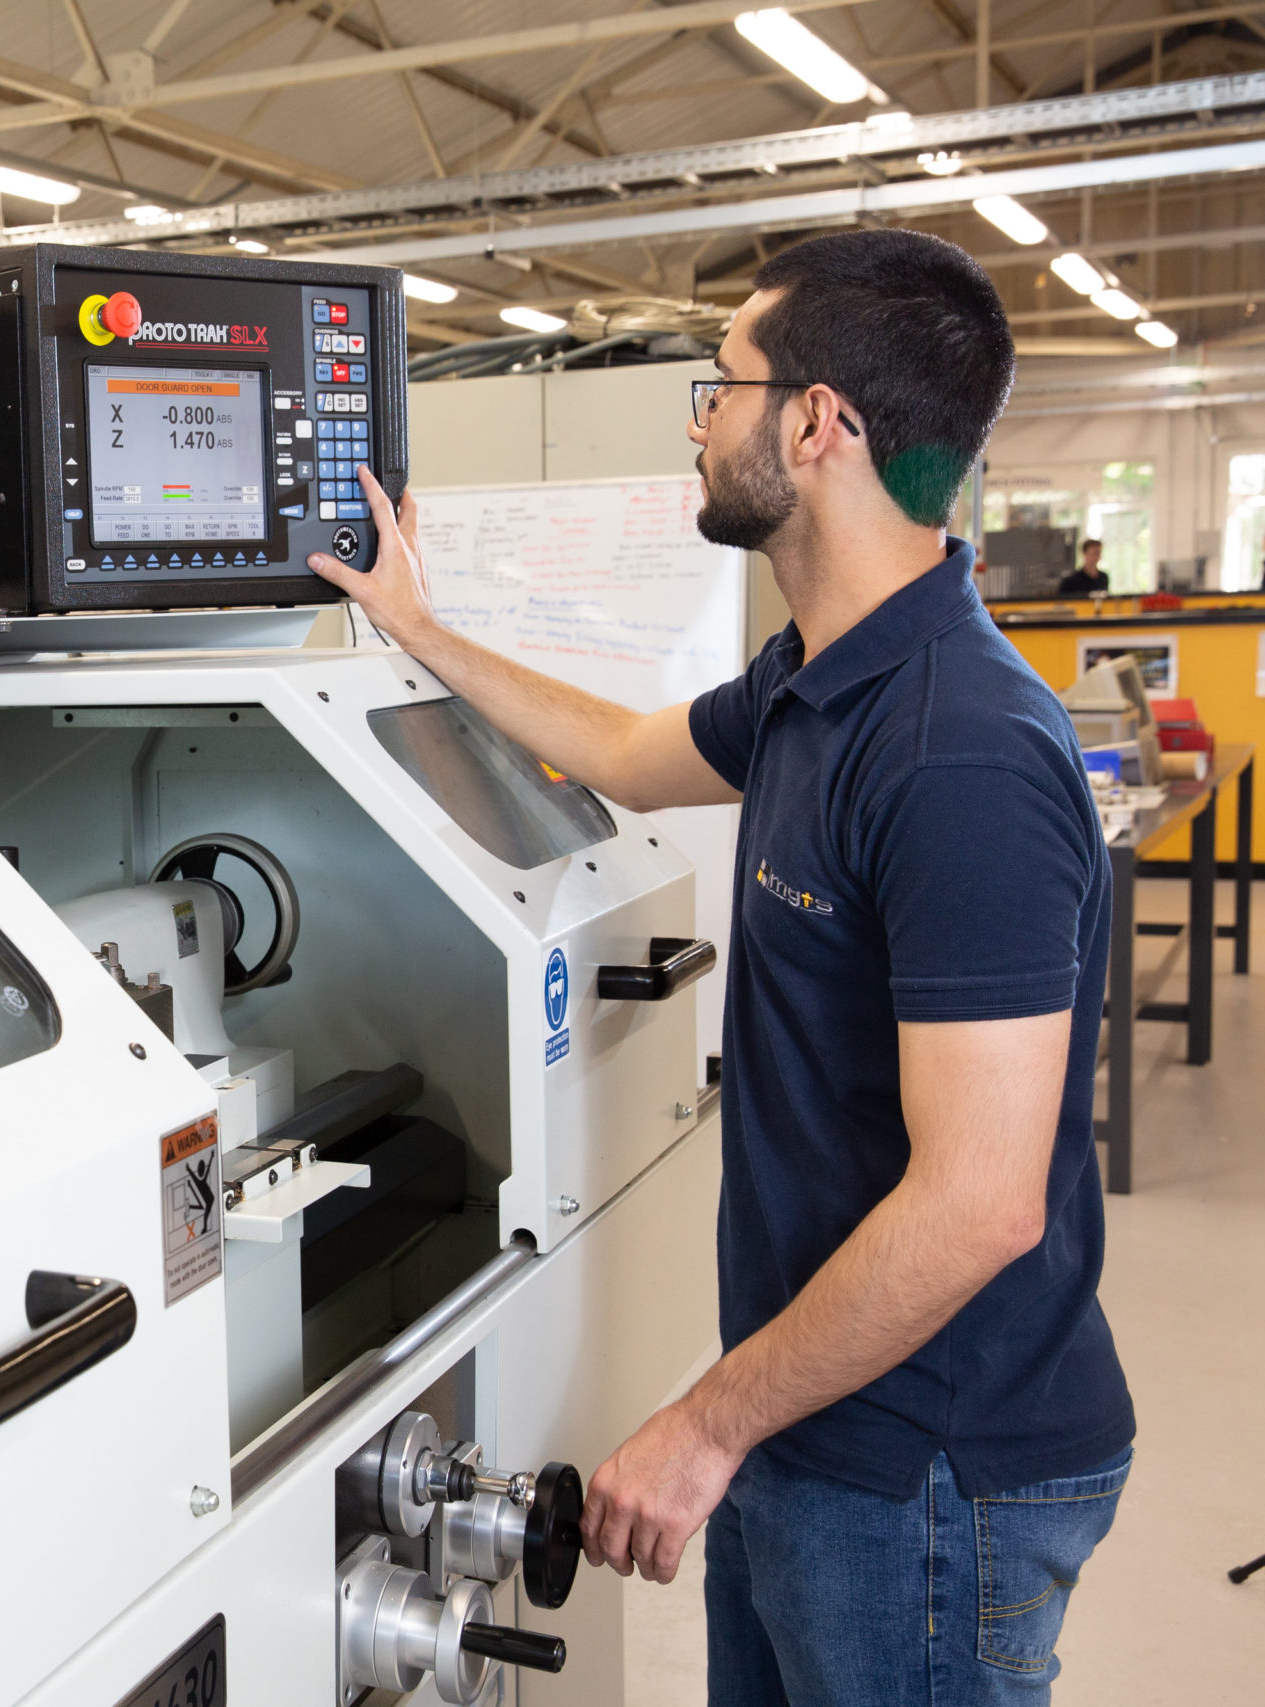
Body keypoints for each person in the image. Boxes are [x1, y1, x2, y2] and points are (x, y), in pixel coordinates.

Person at [308, 227, 1133, 1704]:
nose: (700, 424)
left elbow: (982, 1202)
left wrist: (702, 1424)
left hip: (927, 1474)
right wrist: (422, 630)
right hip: (813, 1416)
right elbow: (623, 749)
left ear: (819, 425)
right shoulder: (819, 685)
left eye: (721, 387)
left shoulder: (960, 754)